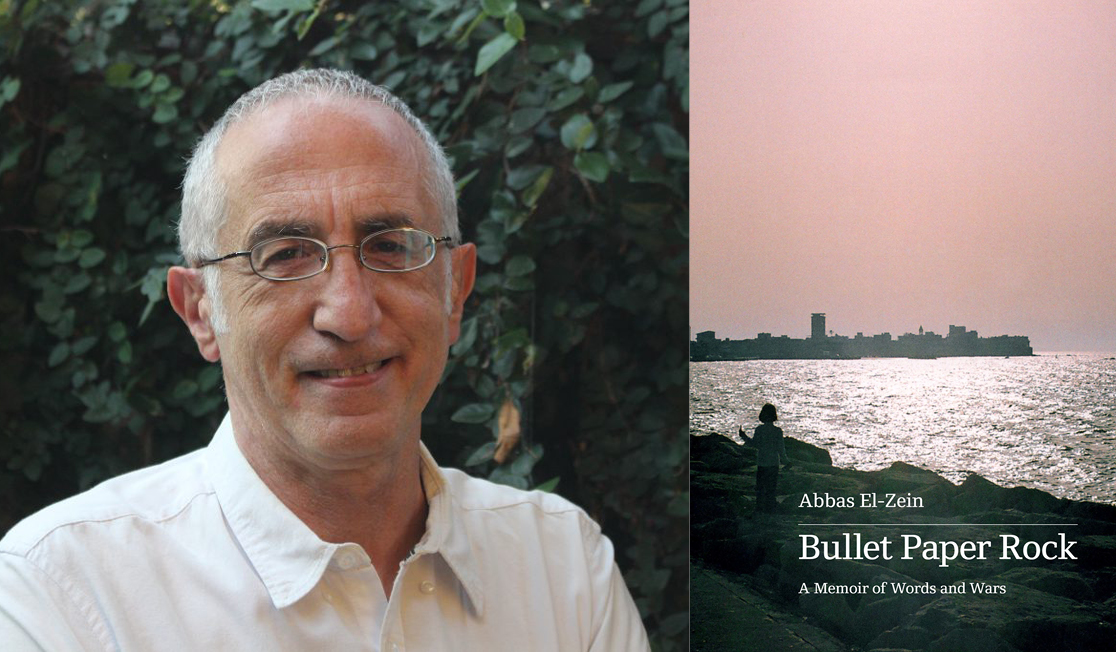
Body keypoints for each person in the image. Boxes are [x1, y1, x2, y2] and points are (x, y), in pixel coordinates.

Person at [0, 69, 649, 651]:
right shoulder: (60, 597)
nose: (349, 312)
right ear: (200, 311)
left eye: (391, 245)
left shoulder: (564, 570)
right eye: (283, 255)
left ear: (456, 291)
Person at [739, 403, 790, 513]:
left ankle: (759, 510)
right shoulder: (777, 431)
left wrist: (743, 436)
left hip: (762, 463)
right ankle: (770, 510)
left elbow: (754, 444)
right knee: (771, 489)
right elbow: (781, 450)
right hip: (773, 464)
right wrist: (786, 462)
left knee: (760, 489)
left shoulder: (760, 430)